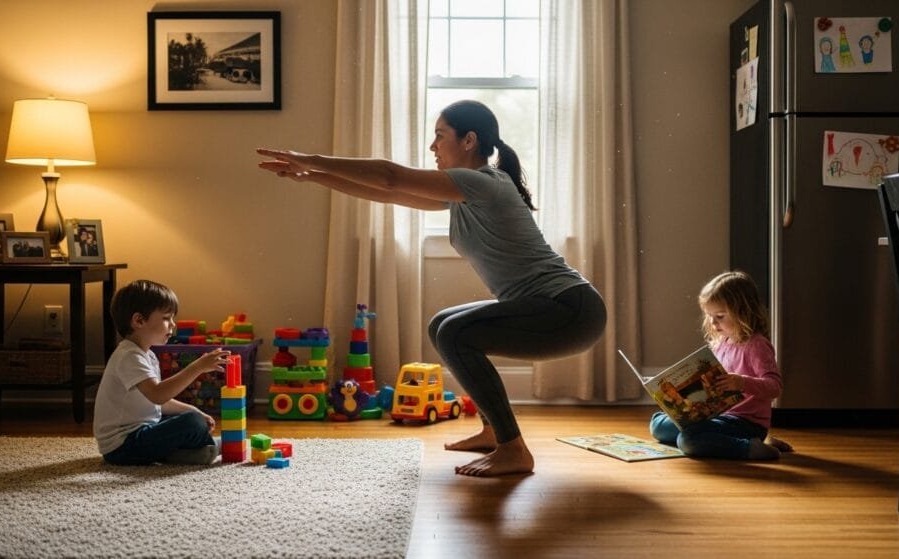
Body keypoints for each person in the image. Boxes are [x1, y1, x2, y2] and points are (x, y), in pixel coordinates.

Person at [257, 99, 607, 477]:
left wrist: (307, 158)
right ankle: (494, 432)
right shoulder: (464, 194)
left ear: (469, 140)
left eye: (440, 136)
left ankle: (513, 449)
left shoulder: (485, 183)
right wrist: (311, 176)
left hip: (570, 310)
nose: (432, 146)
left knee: (456, 332)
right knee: (443, 323)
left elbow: (390, 176)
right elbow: (389, 193)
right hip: (558, 309)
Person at [650, 270, 791, 460]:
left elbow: (775, 387)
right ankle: (749, 440)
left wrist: (741, 383)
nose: (712, 322)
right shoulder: (721, 342)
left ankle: (749, 447)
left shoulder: (756, 345)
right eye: (709, 316)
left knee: (688, 440)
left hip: (744, 422)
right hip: (716, 415)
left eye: (720, 316)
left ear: (743, 312)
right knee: (658, 425)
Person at [93, 279, 230, 465]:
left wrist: (195, 409)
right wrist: (197, 367)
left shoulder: (146, 355)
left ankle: (180, 454)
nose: (173, 324)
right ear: (139, 321)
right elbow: (158, 395)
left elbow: (158, 403)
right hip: (122, 447)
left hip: (143, 430)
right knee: (191, 423)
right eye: (166, 318)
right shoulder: (129, 356)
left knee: (190, 418)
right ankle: (208, 447)